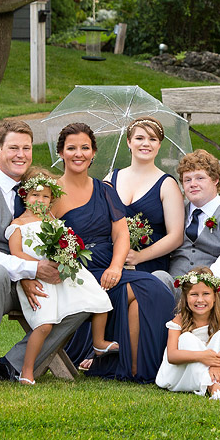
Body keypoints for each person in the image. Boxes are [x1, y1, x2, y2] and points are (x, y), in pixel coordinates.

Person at [54, 123, 177, 382]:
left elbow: (121, 234)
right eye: (72, 148)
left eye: (85, 147)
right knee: (143, 290)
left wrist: (116, 267)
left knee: (155, 290)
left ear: (93, 153)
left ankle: (134, 368)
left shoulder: (105, 190)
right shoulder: (52, 193)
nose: (79, 153)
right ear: (61, 153)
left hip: (110, 266)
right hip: (79, 269)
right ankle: (119, 363)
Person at [0, 118, 71, 388]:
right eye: (13, 148)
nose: (21, 155)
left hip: (26, 280)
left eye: (27, 148)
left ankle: (12, 364)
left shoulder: (36, 192)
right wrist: (29, 271)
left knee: (81, 297)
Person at [3, 167, 114, 385]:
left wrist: (66, 256)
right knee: (45, 325)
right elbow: (16, 254)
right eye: (35, 195)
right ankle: (26, 370)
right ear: (25, 195)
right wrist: (40, 265)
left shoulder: (53, 221)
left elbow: (66, 242)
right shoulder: (18, 225)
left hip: (62, 276)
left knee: (100, 300)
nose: (40, 200)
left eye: (46, 196)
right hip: (36, 278)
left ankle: (99, 342)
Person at [157, 150, 220, 324]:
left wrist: (207, 282)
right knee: (158, 277)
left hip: (213, 291)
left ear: (215, 180)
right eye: (187, 180)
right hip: (177, 287)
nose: (193, 184)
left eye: (200, 178)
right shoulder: (176, 210)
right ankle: (155, 343)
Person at [155, 267, 220, 399]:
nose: (200, 300)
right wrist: (202, 356)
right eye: (194, 294)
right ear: (186, 297)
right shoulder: (179, 320)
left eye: (206, 294)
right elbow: (172, 356)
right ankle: (213, 387)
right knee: (186, 338)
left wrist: (217, 362)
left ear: (214, 296)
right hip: (182, 373)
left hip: (215, 365)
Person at [106, 117, 185, 274]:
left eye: (152, 139)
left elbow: (176, 236)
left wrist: (139, 256)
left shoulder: (167, 184)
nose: (146, 143)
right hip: (112, 259)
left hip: (149, 263)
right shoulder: (110, 179)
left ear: (159, 145)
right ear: (129, 142)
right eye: (139, 138)